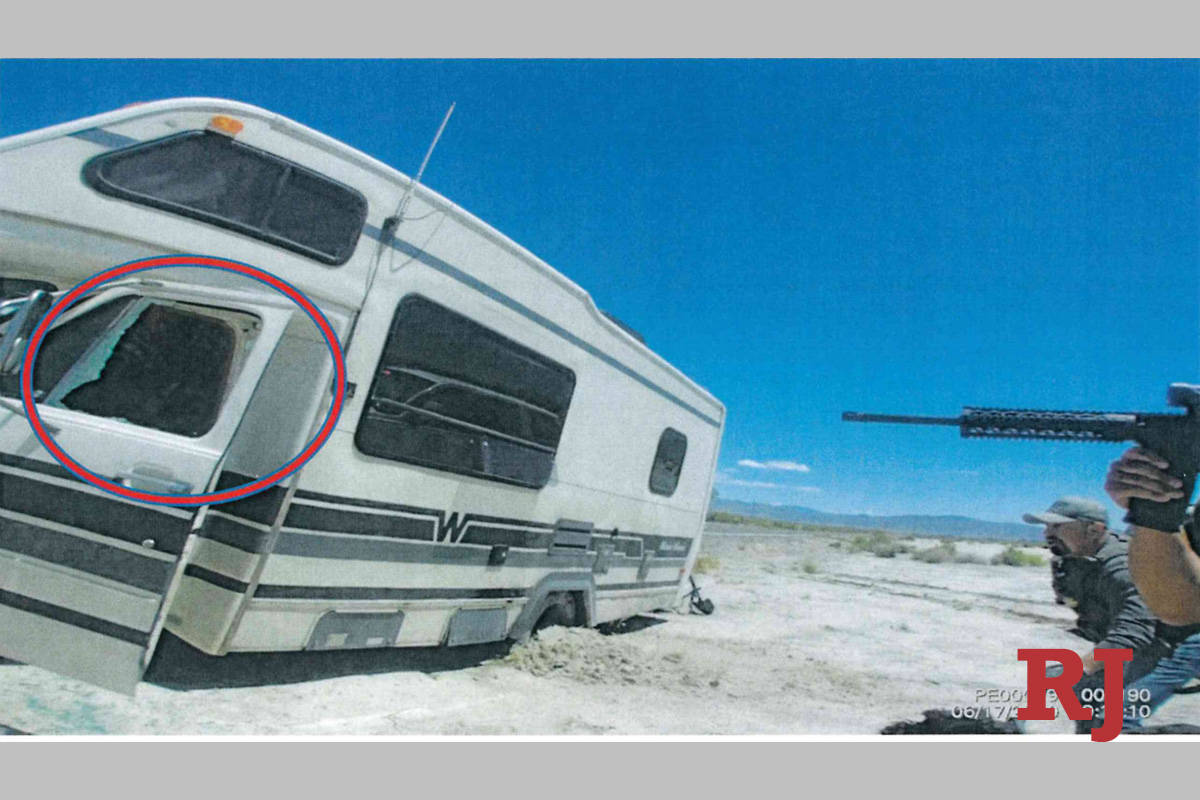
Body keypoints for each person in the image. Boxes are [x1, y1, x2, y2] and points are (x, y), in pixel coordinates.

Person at [1022, 496, 1158, 731]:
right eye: (1047, 526)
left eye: (1057, 526)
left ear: (1094, 530)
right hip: (1124, 647)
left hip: (1162, 649)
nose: (1047, 533)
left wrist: (1081, 666)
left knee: (1111, 718)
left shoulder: (1124, 567)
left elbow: (1135, 632)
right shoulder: (1080, 559)